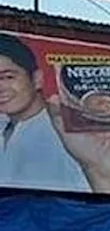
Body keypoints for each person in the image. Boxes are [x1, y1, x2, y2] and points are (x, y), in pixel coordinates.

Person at [0, 34, 93, 194]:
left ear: (37, 79)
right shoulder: (4, 125)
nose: (1, 88)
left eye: (8, 77)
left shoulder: (69, 131)